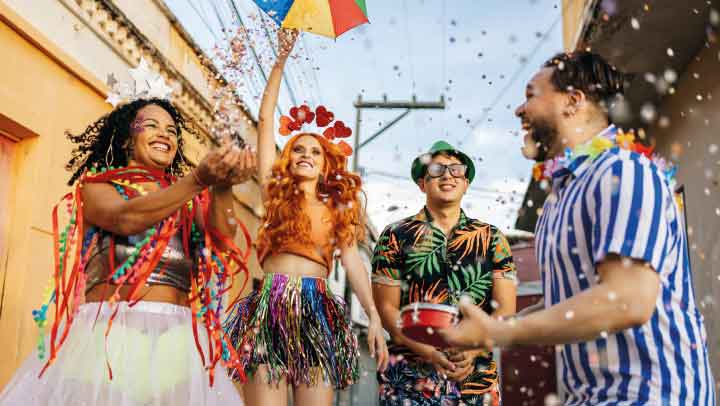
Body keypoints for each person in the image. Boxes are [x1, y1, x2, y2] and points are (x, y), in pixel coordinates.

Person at [441, 51, 716, 405]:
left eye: (531, 95)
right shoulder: (558, 201)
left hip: (653, 396)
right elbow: (564, 303)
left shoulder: (625, 171)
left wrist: (501, 332)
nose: (519, 110)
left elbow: (627, 301)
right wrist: (488, 333)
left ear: (573, 101)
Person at [0, 62, 256, 406]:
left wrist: (223, 186)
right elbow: (126, 219)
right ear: (125, 138)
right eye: (151, 125)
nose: (164, 134)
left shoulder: (188, 198)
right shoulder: (97, 188)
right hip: (108, 338)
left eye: (171, 129)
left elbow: (222, 237)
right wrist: (198, 180)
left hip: (177, 343)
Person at [223, 29, 388, 406]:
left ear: (326, 163)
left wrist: (374, 316)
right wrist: (281, 59)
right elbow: (265, 118)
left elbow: (353, 264)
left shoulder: (337, 209)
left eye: (315, 151)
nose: (306, 155)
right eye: (298, 149)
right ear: (288, 158)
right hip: (268, 306)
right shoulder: (274, 192)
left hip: (317, 311)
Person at [371, 140, 518, 405]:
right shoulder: (394, 236)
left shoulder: (493, 238)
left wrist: (472, 351)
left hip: (476, 379)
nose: (448, 175)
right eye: (437, 169)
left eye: (456, 170)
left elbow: (505, 311)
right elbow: (387, 310)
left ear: (466, 183)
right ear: (422, 183)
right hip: (409, 380)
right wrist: (429, 352)